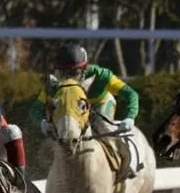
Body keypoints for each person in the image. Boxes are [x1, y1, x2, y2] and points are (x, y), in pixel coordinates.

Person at [31, 42, 140, 176]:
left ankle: (127, 163)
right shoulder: (53, 85)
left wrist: (130, 117)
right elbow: (35, 110)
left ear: (84, 70)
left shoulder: (102, 76)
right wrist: (42, 123)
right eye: (64, 74)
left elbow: (131, 94)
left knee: (104, 127)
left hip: (100, 104)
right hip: (73, 111)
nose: (69, 79)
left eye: (73, 73)